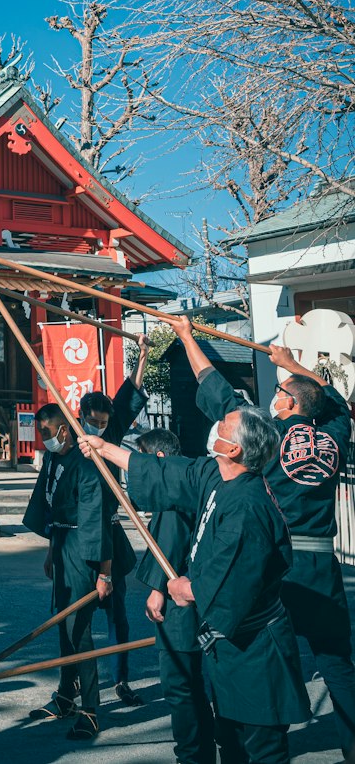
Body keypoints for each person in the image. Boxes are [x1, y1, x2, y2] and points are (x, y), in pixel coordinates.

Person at [81, 401, 310, 764]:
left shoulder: (247, 506)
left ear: (233, 449)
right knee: (232, 738)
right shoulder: (216, 474)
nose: (216, 426)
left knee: (260, 748)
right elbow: (170, 472)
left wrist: (182, 588)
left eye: (224, 425)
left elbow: (226, 578)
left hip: (256, 648)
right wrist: (105, 449)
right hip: (232, 648)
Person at [170, 315, 355, 762]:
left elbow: (218, 393)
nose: (273, 396)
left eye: (279, 392)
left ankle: (261, 741)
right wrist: (294, 366)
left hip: (276, 565)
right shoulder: (334, 437)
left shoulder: (267, 438)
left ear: (290, 406)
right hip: (322, 565)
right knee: (336, 663)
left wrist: (187, 338)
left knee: (260, 653)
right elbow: (336, 404)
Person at [22, 402, 120, 741]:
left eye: (47, 432)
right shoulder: (53, 458)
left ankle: (90, 710)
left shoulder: (87, 462)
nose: (43, 439)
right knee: (63, 623)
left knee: (80, 628)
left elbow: (100, 520)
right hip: (63, 542)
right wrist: (51, 550)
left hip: (84, 545)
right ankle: (66, 695)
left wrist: (104, 573)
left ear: (64, 429)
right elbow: (49, 507)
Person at [133, 426, 216, 764]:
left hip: (179, 596)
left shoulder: (175, 492)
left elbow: (171, 543)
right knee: (192, 681)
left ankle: (192, 755)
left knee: (180, 682)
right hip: (198, 591)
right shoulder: (194, 480)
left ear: (160, 459)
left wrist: (156, 590)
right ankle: (203, 750)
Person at [78, 332, 149, 706]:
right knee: (76, 618)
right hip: (76, 541)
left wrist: (142, 354)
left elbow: (130, 394)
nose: (98, 428)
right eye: (92, 422)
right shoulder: (68, 441)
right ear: (80, 418)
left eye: (103, 423)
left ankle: (120, 679)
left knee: (117, 614)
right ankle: (72, 684)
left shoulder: (112, 432)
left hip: (108, 531)